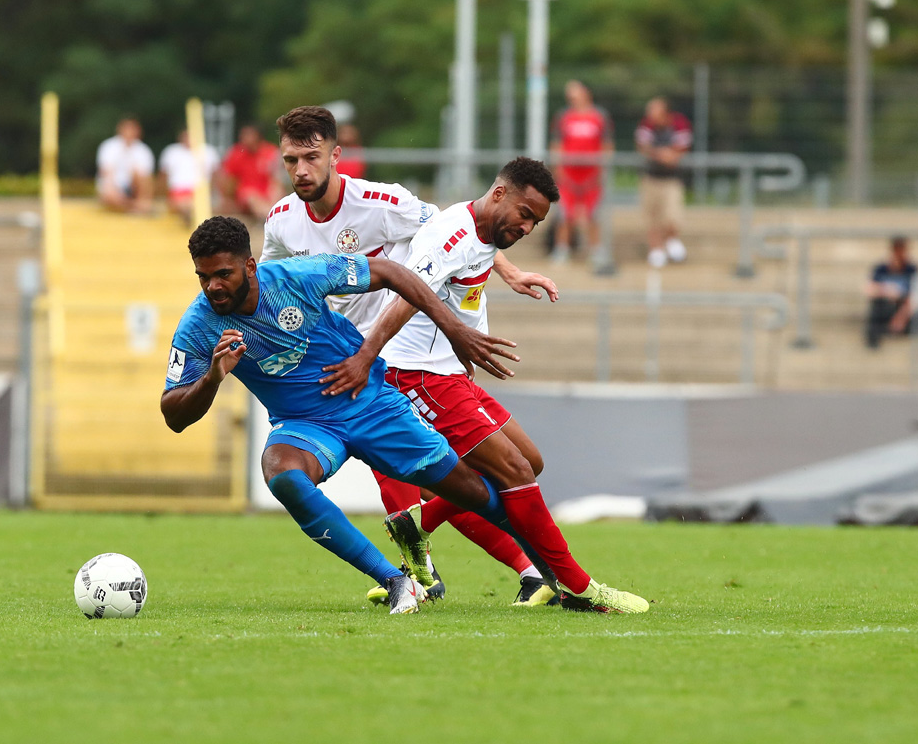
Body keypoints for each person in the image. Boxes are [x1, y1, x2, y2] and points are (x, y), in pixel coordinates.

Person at [162, 216, 647, 615]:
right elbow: (174, 414)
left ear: (249, 265)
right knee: (282, 475)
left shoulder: (297, 277)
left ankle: (573, 584)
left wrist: (453, 329)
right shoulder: (200, 325)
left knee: (477, 494)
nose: (213, 287)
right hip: (306, 427)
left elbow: (394, 273)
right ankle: (398, 582)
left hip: (372, 405)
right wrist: (211, 378)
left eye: (222, 274)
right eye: (203, 277)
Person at [319, 157, 650, 614]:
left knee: (529, 462)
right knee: (511, 470)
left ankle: (418, 525)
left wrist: (509, 272)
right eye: (526, 215)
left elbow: (480, 252)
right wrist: (365, 358)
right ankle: (576, 584)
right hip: (419, 374)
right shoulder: (450, 235)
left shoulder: (481, 229)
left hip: (450, 373)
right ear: (499, 195)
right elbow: (404, 297)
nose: (529, 227)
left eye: (536, 221)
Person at [261, 105, 562, 606]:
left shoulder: (382, 203)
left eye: (312, 157)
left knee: (432, 475)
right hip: (338, 363)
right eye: (291, 160)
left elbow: (462, 228)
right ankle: (510, 571)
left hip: (389, 357)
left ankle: (457, 570)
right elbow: (268, 290)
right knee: (428, 476)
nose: (301, 171)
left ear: (337, 155)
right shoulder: (281, 220)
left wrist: (507, 271)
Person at [550, 80, 612, 265]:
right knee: (564, 215)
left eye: (575, 93)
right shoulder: (564, 117)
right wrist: (559, 171)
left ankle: (596, 250)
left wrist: (601, 171)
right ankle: (562, 249)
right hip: (568, 176)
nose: (572, 98)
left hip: (591, 176)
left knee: (593, 214)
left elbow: (607, 146)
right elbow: (557, 146)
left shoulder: (599, 117)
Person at [635, 97, 693, 268]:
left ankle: (671, 240)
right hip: (651, 177)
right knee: (652, 217)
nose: (650, 115)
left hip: (672, 179)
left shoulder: (680, 123)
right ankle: (656, 249)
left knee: (672, 216)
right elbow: (642, 146)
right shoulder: (646, 124)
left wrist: (670, 154)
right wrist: (661, 154)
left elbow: (681, 149)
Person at [865, 237, 918, 349]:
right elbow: (869, 289)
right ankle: (873, 341)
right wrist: (887, 291)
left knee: (914, 307)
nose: (899, 255)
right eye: (897, 251)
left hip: (904, 307)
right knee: (876, 308)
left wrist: (901, 314)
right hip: (885, 305)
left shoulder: (912, 270)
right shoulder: (881, 269)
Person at [158, 129, 219, 224]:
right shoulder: (171, 151)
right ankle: (191, 215)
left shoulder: (208, 152)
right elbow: (163, 178)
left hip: (200, 192)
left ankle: (190, 215)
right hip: (178, 193)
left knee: (191, 202)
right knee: (186, 203)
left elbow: (216, 177)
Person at [96, 117, 155, 214]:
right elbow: (106, 173)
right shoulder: (109, 146)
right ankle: (136, 206)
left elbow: (146, 178)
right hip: (114, 187)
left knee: (140, 174)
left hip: (132, 187)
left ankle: (135, 204)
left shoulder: (143, 150)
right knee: (109, 193)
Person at [220, 124, 280, 218]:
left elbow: (275, 178)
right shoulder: (237, 153)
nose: (245, 139)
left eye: (248, 135)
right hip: (246, 195)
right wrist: (228, 199)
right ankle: (270, 217)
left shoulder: (270, 152)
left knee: (276, 191)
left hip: (266, 194)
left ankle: (272, 213)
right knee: (251, 196)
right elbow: (229, 181)